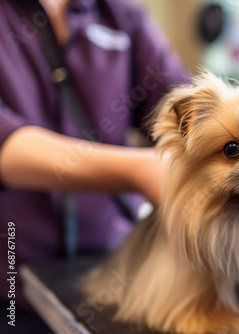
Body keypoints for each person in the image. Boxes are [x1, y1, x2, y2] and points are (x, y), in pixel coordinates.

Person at [0, 0, 189, 332]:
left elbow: (181, 107)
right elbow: (6, 143)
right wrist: (139, 170)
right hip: (12, 281)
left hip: (113, 269)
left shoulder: (119, 13)